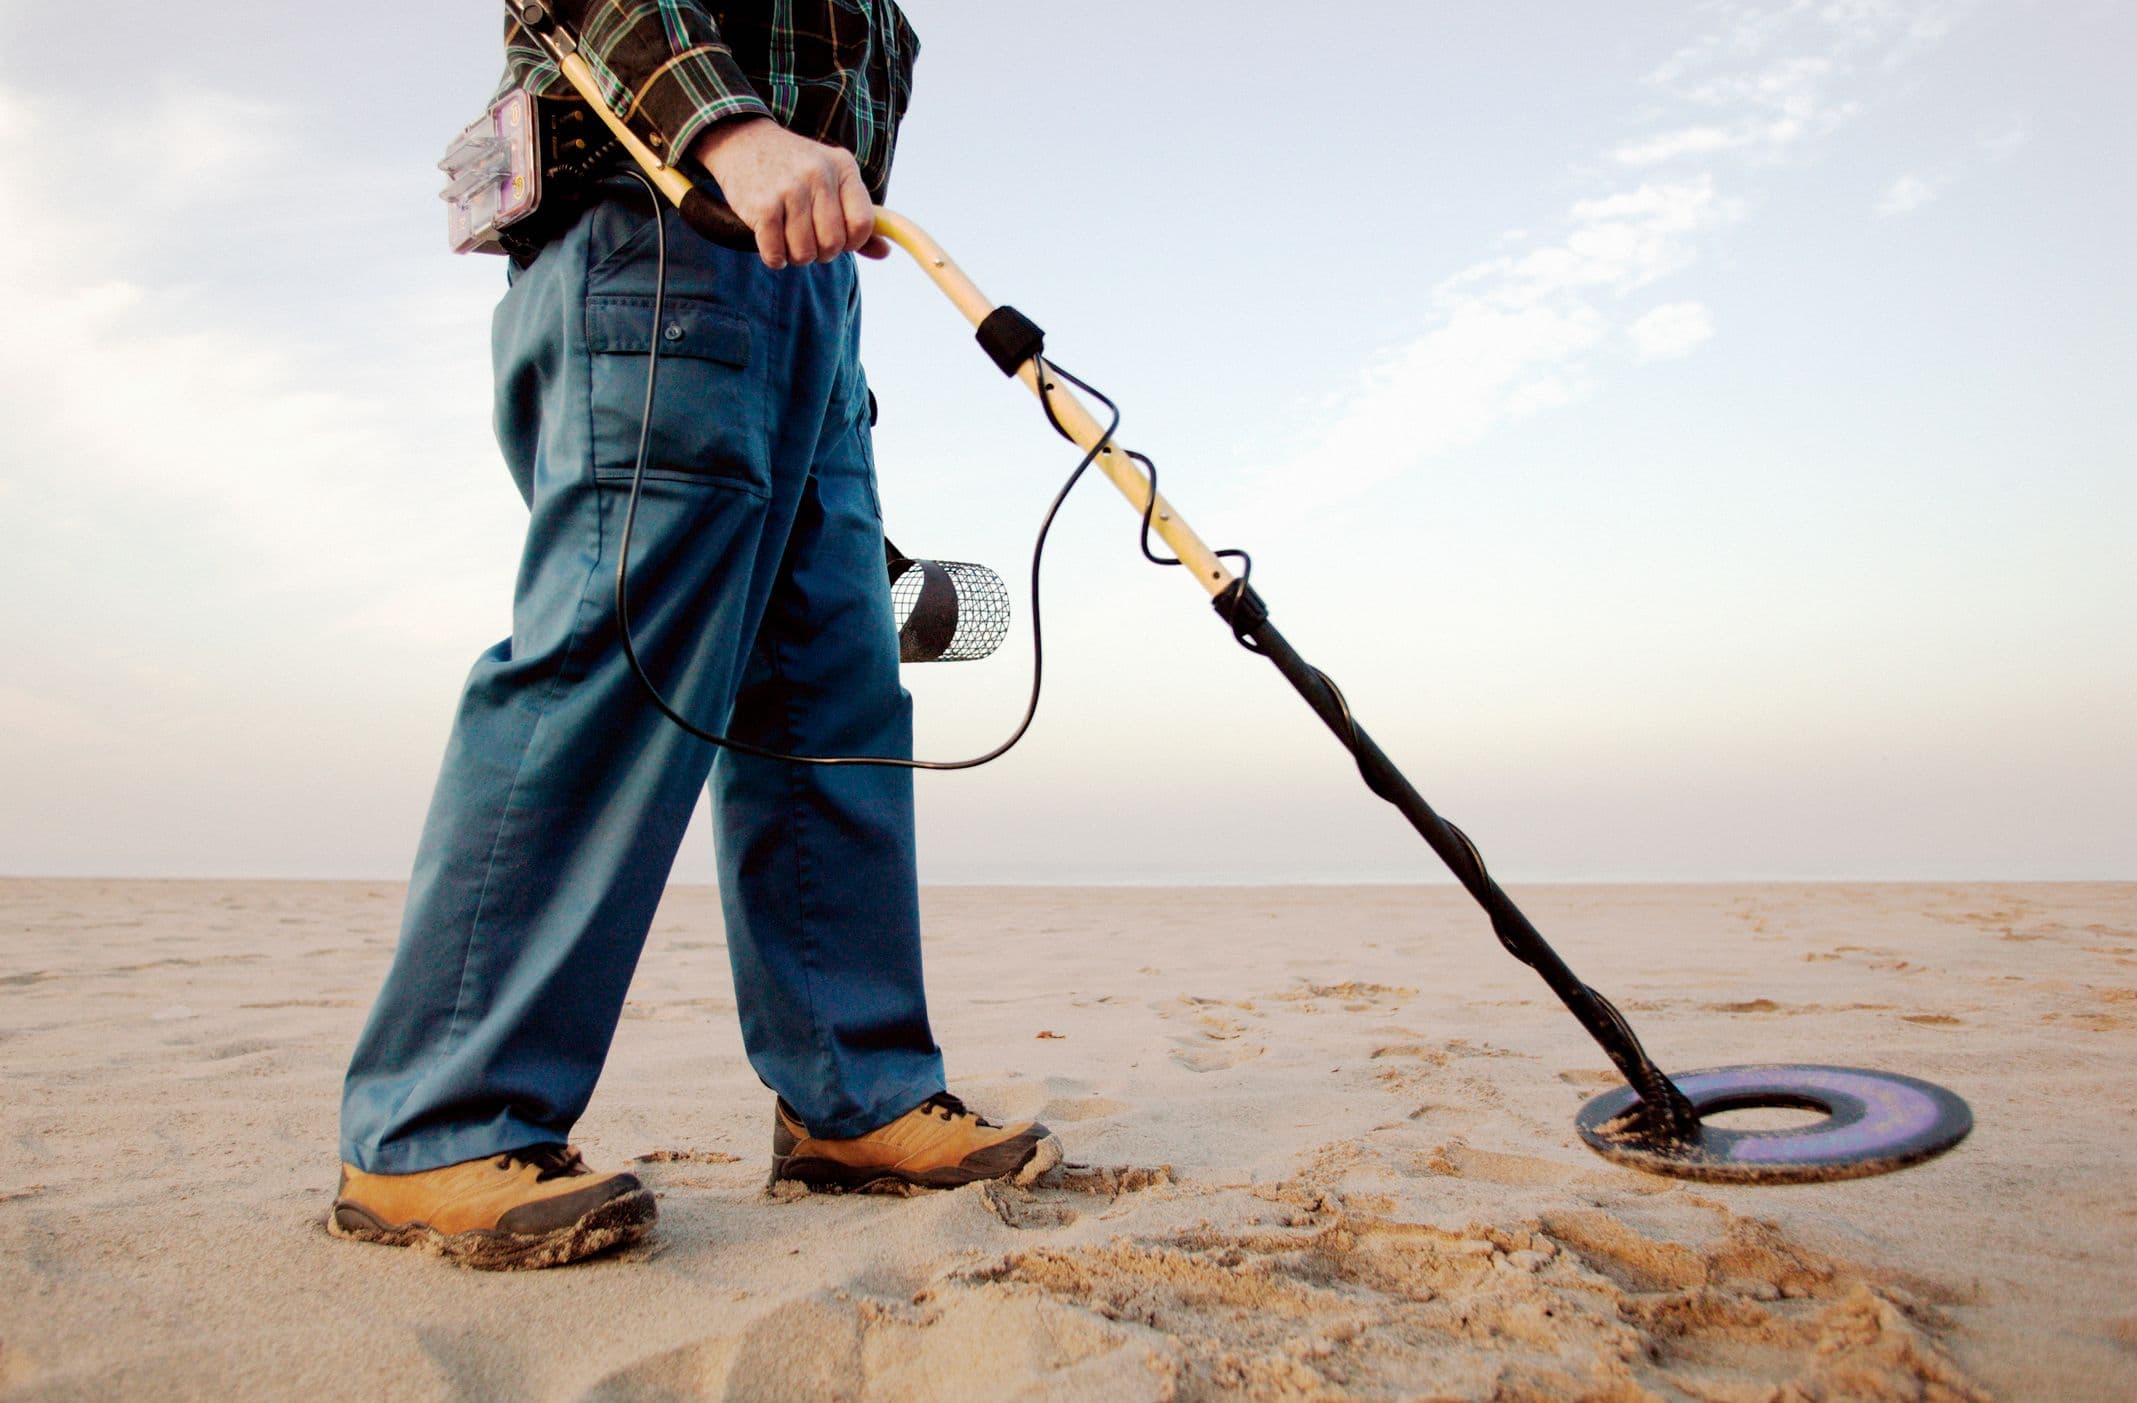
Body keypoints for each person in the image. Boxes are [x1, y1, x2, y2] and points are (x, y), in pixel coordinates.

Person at [330, 0, 1058, 1271]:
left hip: (808, 288)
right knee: (615, 660)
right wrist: (727, 125)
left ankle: (856, 1095)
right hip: (667, 222)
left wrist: (827, 344)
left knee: (829, 691)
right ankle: (433, 1126)